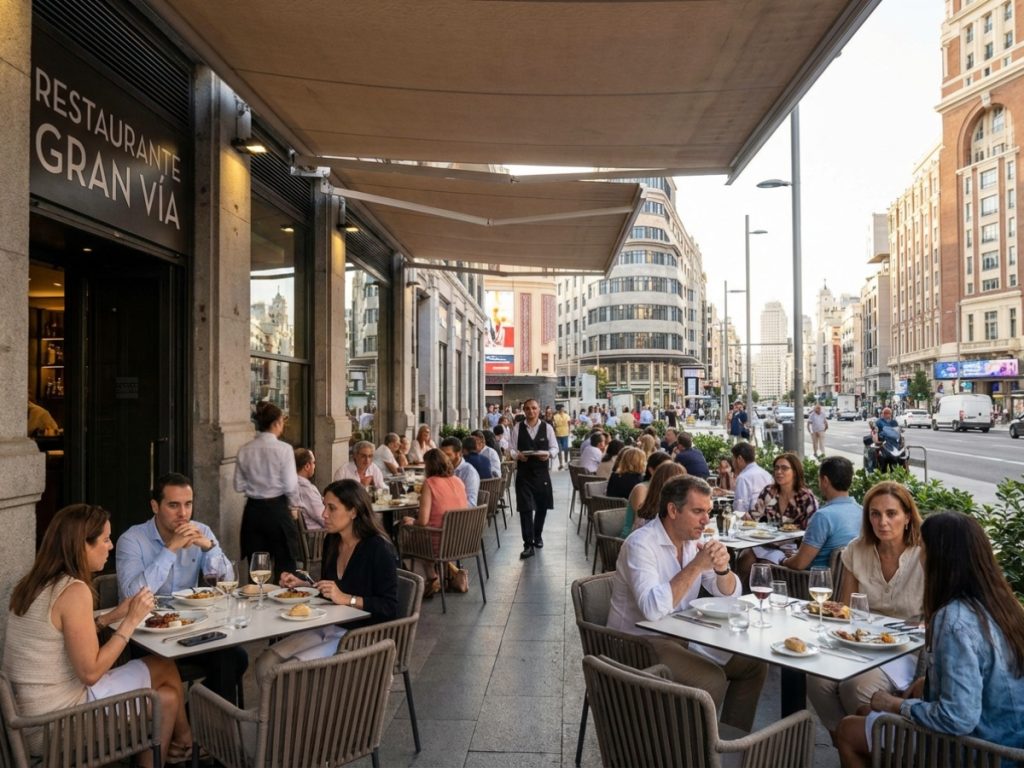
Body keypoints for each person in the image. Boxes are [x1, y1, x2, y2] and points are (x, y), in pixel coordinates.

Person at [4, 504, 192, 766]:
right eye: (105, 539)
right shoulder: (74, 590)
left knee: (168, 696)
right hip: (58, 726)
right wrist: (131, 621)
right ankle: (185, 742)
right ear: (82, 545)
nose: (111, 546)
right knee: (164, 668)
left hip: (31, 720)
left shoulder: (32, 584)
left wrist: (112, 616)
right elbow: (91, 674)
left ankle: (181, 743)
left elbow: (63, 634)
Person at [836, 511, 1024, 766]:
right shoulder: (1003, 605)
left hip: (979, 752)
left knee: (848, 731)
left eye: (923, 548)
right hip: (1011, 742)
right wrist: (929, 681)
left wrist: (895, 704)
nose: (920, 557)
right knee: (864, 713)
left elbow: (958, 718)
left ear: (941, 558)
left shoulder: (953, 619)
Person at [607, 476, 767, 731]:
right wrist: (696, 566)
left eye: (708, 511)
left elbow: (730, 595)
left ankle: (731, 743)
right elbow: (651, 609)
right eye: (698, 511)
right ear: (673, 510)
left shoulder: (692, 543)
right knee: (711, 679)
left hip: (682, 634)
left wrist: (722, 569)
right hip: (637, 642)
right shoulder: (640, 544)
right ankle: (689, 753)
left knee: (753, 664)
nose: (706, 519)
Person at [807, 480, 925, 739]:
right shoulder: (857, 550)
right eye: (875, 513)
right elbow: (846, 610)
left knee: (855, 685)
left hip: (907, 648)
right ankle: (847, 745)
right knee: (817, 677)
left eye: (891, 513)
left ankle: (874, 748)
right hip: (861, 641)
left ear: (907, 517)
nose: (883, 521)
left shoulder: (924, 555)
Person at [116, 473, 248, 704]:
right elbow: (131, 595)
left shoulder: (201, 531)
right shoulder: (132, 539)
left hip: (190, 628)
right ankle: (190, 723)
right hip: (147, 634)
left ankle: (201, 720)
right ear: (155, 506)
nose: (183, 514)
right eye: (174, 505)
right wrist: (171, 548)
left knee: (234, 657)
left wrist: (209, 547)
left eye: (188, 504)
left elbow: (229, 582)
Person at [262, 481, 399, 681]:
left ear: (353, 511)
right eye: (324, 506)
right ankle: (278, 713)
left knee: (285, 675)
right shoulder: (332, 541)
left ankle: (303, 712)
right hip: (329, 625)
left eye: (332, 508)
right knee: (264, 663)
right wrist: (304, 586)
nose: (324, 514)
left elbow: (390, 607)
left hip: (362, 635)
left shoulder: (378, 549)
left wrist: (347, 599)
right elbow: (333, 590)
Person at [235, 400, 299, 578]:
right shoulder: (284, 449)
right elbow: (290, 485)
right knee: (286, 566)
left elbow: (238, 485)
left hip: (253, 511)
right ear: (277, 423)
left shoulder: (244, 450)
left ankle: (256, 603)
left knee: (257, 567)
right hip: (277, 509)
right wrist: (294, 507)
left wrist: (256, 484)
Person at [401, 448, 469, 593]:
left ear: (429, 466)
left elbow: (423, 521)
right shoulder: (458, 481)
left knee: (403, 532)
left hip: (438, 543)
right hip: (463, 542)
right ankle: (451, 573)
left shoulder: (430, 483)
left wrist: (412, 521)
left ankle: (431, 577)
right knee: (427, 533)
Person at [779, 456, 861, 571]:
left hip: (813, 583)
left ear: (825, 481)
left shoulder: (823, 517)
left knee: (766, 565)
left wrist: (782, 561)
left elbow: (799, 564)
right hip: (849, 581)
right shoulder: (862, 511)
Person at [509, 399, 556, 559]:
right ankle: (528, 544)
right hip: (524, 474)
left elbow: (555, 447)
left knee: (541, 508)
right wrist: (517, 455)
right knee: (525, 509)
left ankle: (538, 536)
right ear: (524, 410)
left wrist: (548, 454)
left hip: (541, 474)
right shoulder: (517, 427)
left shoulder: (547, 427)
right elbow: (511, 449)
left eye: (534, 408)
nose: (531, 411)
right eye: (528, 408)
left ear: (539, 409)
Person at [620, 458, 683, 537]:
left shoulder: (672, 504)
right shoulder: (642, 490)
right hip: (630, 540)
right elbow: (638, 526)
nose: (684, 486)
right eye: (680, 482)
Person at [730, 442, 772, 517]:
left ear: (739, 459)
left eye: (733, 459)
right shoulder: (767, 474)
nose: (732, 463)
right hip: (769, 520)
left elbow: (740, 510)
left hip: (752, 522)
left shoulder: (743, 477)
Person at [290, 448, 325, 530]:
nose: (314, 466)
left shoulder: (289, 485)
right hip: (315, 537)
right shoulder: (306, 489)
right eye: (314, 463)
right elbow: (323, 518)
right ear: (307, 466)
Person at [440, 437, 479, 505]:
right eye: (442, 455)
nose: (443, 458)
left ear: (459, 454)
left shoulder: (469, 472)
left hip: (460, 513)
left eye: (448, 455)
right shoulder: (442, 468)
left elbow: (471, 503)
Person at [552, 404, 572, 469]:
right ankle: (562, 463)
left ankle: (565, 462)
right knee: (561, 449)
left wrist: (569, 430)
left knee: (564, 449)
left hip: (563, 433)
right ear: (560, 409)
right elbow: (554, 425)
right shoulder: (555, 416)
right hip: (560, 434)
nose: (563, 409)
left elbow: (569, 424)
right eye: (562, 408)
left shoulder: (565, 415)